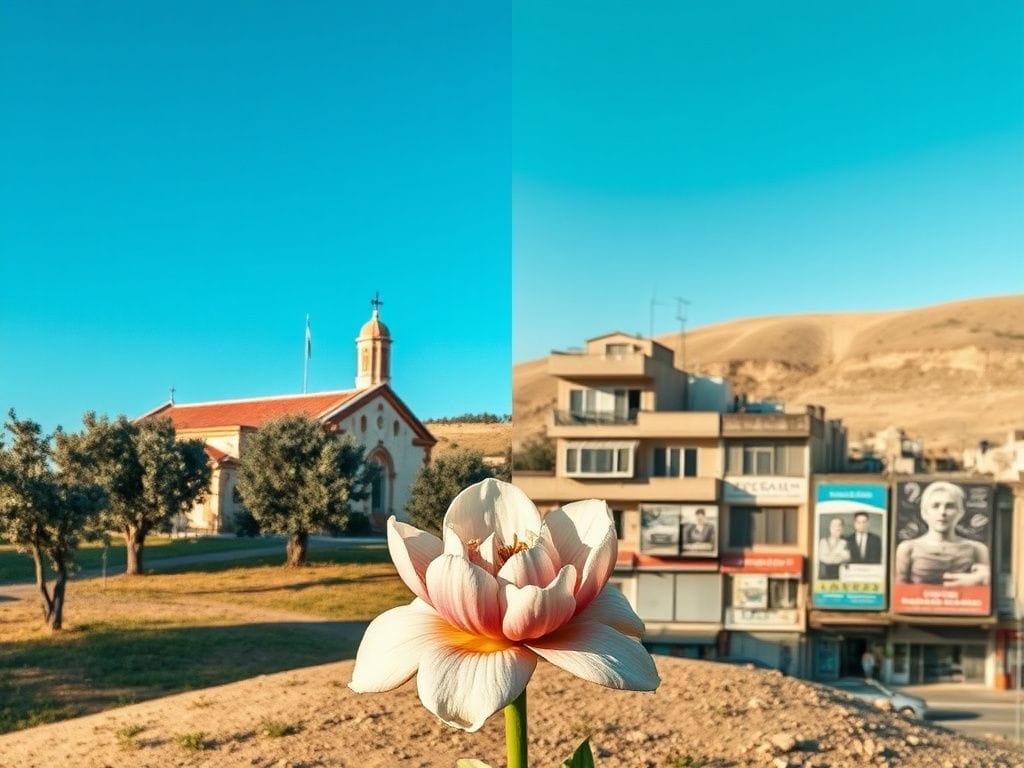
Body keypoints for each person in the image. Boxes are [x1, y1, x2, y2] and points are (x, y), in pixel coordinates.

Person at [894, 481, 990, 586]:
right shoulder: (907, 548)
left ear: (960, 512)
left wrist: (981, 579)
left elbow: (985, 588)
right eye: (935, 506)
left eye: (950, 506)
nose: (942, 512)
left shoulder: (978, 549)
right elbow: (899, 591)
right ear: (924, 513)